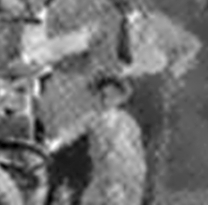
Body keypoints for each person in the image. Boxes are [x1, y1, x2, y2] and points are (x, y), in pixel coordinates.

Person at [90, 0, 200, 205]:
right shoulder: (105, 24)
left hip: (150, 91)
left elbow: (191, 46)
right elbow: (86, 49)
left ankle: (148, 201)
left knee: (151, 152)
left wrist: (172, 73)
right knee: (114, 150)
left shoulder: (157, 23)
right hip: (116, 91)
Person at [48, 73, 146, 205]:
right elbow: (73, 131)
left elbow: (137, 148)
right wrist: (56, 143)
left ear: (120, 98)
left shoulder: (128, 121)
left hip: (125, 171)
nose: (107, 99)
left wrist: (138, 173)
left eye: (112, 95)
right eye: (103, 95)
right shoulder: (93, 117)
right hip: (102, 171)